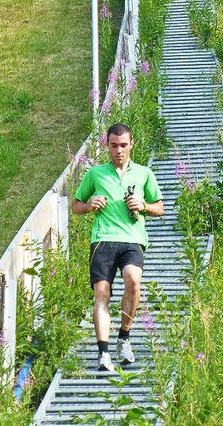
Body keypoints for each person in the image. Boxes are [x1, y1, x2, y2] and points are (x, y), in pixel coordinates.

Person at [71, 123, 164, 372]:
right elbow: (76, 205)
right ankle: (103, 353)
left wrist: (143, 205)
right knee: (101, 293)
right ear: (107, 146)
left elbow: (160, 208)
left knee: (133, 279)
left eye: (123, 145)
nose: (119, 151)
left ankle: (124, 337)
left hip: (132, 238)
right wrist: (90, 205)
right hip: (102, 239)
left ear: (132, 144)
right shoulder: (95, 174)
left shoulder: (144, 173)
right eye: (114, 146)